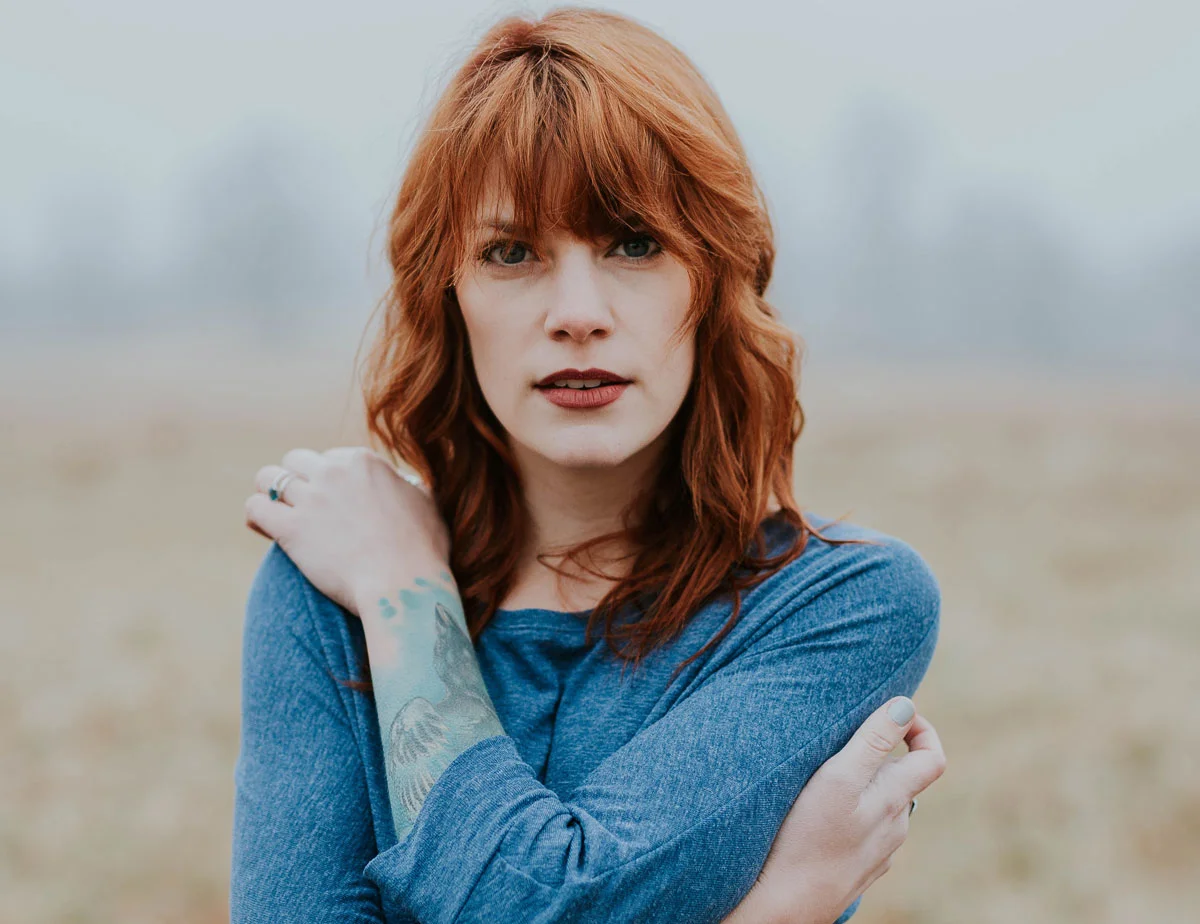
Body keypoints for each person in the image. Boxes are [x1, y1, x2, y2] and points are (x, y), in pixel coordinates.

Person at [232, 7, 947, 923]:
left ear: (714, 278)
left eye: (634, 244)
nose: (577, 311)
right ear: (447, 296)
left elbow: (542, 905)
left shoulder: (842, 606)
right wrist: (784, 906)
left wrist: (405, 598)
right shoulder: (328, 587)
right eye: (512, 252)